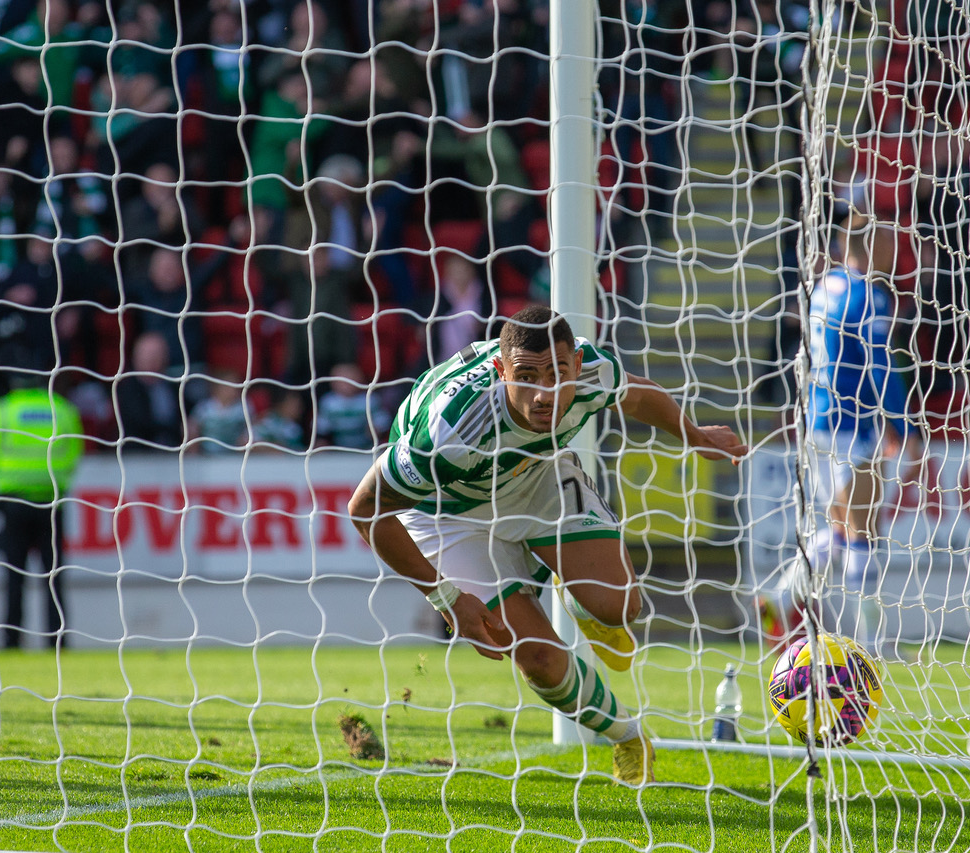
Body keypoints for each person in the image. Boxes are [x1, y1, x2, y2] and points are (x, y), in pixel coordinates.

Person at [347, 304, 747, 785]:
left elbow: (639, 397)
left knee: (618, 609)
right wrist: (447, 599)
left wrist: (695, 435)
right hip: (446, 512)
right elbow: (366, 508)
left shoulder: (593, 372)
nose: (545, 394)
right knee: (538, 658)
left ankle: (573, 594)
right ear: (500, 371)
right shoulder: (448, 432)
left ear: (576, 364)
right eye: (527, 377)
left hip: (535, 477)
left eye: (559, 374)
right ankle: (627, 735)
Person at [794, 215, 916, 659]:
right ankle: (873, 644)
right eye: (888, 241)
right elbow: (880, 367)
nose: (893, 251)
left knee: (838, 530)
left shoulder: (823, 288)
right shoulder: (871, 296)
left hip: (818, 419)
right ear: (874, 246)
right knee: (863, 531)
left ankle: (776, 600)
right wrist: (903, 428)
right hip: (852, 423)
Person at [0, 379, 83, 649]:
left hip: (13, 501)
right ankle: (58, 639)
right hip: (50, 502)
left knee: (14, 577)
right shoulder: (62, 408)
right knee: (54, 578)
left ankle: (11, 641)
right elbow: (75, 452)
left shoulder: (3, 409)